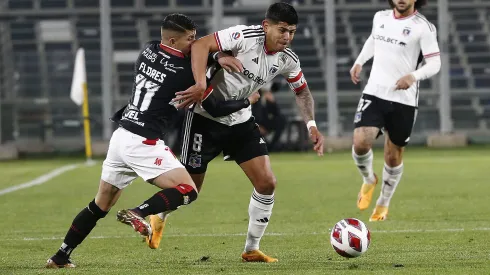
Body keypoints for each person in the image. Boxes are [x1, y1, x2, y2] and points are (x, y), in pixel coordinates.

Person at [45, 13, 256, 268]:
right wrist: (247, 101)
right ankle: (139, 212)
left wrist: (216, 56)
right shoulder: (185, 74)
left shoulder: (148, 51)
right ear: (172, 39)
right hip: (143, 142)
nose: (196, 43)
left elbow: (196, 53)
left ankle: (60, 256)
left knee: (99, 205)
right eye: (190, 39)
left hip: (121, 137)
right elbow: (216, 108)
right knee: (188, 190)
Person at [147, 2, 325, 263]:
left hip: (240, 121)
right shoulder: (244, 36)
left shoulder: (288, 60)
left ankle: (251, 248)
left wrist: (311, 125)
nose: (287, 37)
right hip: (204, 118)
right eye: (282, 30)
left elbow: (302, 92)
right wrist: (200, 82)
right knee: (189, 190)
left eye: (292, 32)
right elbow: (199, 45)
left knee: (267, 183)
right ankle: (158, 216)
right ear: (266, 26)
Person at [350, 0, 440, 221]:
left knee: (393, 155)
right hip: (375, 92)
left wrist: (413, 76)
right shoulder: (380, 17)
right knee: (360, 142)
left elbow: (435, 63)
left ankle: (383, 203)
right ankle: (369, 178)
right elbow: (374, 40)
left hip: (404, 100)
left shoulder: (424, 27)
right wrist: (360, 61)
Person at [252, 81, 287, 152]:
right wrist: (257, 125)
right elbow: (251, 113)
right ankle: (263, 146)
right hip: (254, 123)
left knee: (282, 119)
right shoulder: (254, 96)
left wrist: (273, 102)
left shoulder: (268, 97)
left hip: (266, 122)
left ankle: (271, 146)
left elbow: (277, 113)